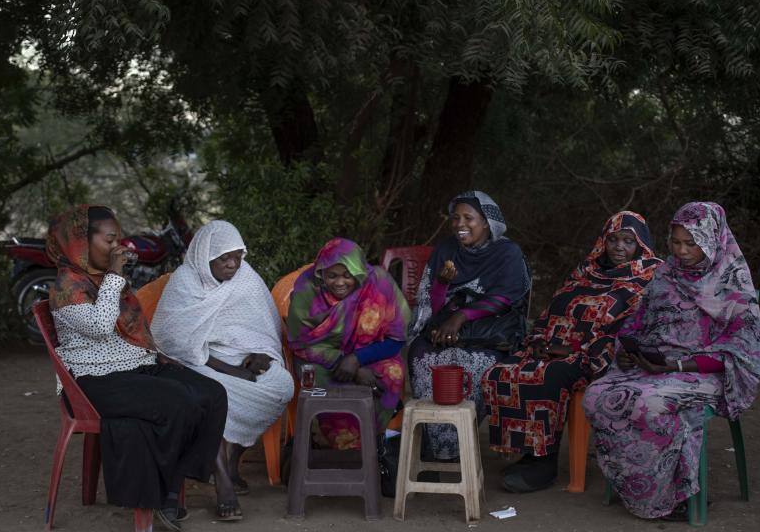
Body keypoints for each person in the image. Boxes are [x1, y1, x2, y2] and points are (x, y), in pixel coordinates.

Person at [46, 205, 228, 532]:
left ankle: (177, 477)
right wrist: (116, 276)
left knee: (212, 394)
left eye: (119, 239)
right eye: (110, 240)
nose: (119, 248)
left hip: (135, 365)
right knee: (177, 402)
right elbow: (102, 326)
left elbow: (130, 328)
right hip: (95, 380)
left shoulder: (100, 278)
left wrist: (153, 353)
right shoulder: (67, 287)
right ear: (80, 242)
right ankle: (167, 493)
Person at [583, 201, 760, 521]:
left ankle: (669, 496)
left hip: (703, 370)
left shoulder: (732, 282)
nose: (681, 251)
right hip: (656, 364)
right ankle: (637, 484)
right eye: (676, 242)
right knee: (596, 396)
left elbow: (741, 351)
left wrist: (676, 367)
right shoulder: (666, 273)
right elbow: (639, 323)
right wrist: (629, 350)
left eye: (691, 243)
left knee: (649, 403)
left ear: (712, 239)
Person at [482, 211, 662, 492]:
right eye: (613, 239)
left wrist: (577, 350)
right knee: (503, 370)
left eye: (628, 241)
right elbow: (554, 308)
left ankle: (545, 463)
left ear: (641, 245)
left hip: (601, 356)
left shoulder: (650, 277)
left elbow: (632, 329)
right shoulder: (586, 271)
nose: (619, 247)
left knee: (549, 376)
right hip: (556, 347)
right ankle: (527, 451)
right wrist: (541, 339)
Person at [151, 221, 294, 504]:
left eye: (238, 257)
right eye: (224, 258)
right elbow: (174, 341)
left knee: (281, 384)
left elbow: (264, 327)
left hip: (241, 357)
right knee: (212, 394)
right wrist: (231, 371)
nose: (232, 265)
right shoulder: (185, 281)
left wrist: (261, 355)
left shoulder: (245, 277)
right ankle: (222, 477)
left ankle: (232, 461)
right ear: (205, 256)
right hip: (195, 362)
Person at [408, 191, 531, 461]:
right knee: (422, 357)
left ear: (487, 222)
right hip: (446, 329)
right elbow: (434, 305)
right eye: (455, 218)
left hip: (489, 335)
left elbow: (505, 298)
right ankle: (435, 444)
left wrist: (461, 316)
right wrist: (441, 282)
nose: (459, 224)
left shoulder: (507, 252)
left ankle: (458, 443)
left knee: (480, 366)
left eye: (468, 218)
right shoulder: (446, 249)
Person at [286, 238, 411, 449]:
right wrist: (346, 363)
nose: (340, 282)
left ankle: (371, 440)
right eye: (332, 276)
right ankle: (344, 442)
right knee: (315, 378)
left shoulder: (379, 284)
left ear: (359, 271)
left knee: (392, 372)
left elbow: (396, 340)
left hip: (368, 355)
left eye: (347, 275)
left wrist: (357, 359)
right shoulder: (307, 291)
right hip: (320, 359)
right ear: (320, 273)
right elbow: (300, 344)